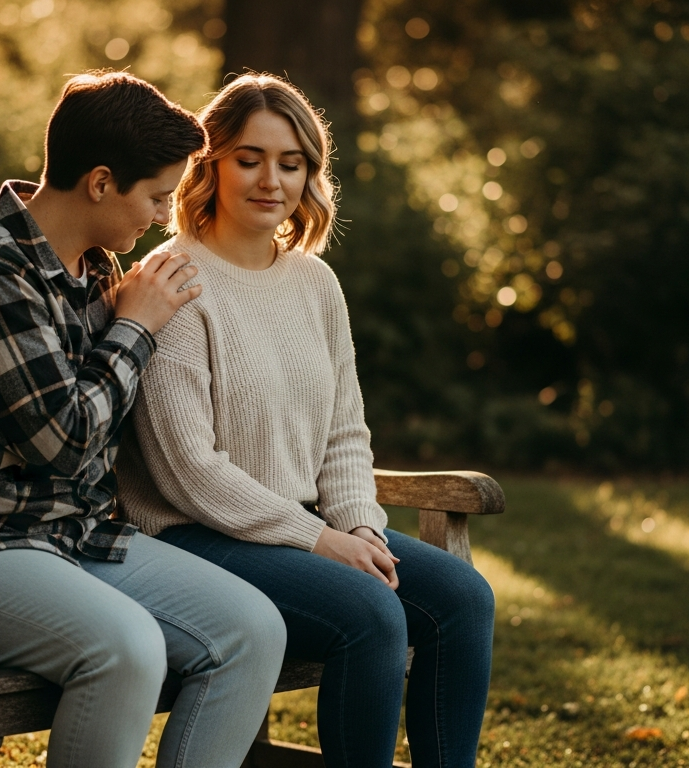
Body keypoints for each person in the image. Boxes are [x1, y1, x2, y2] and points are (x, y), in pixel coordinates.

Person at [0, 71, 286, 768]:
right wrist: (137, 328)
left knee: (253, 630)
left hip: (71, 537)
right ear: (98, 183)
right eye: (154, 196)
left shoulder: (93, 269)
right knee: (125, 647)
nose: (160, 216)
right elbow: (65, 441)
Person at [115, 73, 496, 768]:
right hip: (197, 537)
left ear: (310, 175)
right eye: (249, 159)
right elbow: (189, 471)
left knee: (464, 598)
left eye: (291, 164)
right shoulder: (174, 281)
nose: (272, 181)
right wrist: (321, 540)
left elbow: (345, 433)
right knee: (371, 614)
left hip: (306, 528)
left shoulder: (316, 283)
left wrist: (356, 526)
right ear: (211, 165)